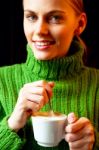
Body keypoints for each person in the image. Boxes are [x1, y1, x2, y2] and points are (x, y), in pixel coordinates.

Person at [0, 0, 99, 149]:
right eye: (31, 17)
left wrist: (95, 144)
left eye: (55, 18)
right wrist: (12, 124)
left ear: (80, 24)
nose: (40, 30)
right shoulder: (2, 80)